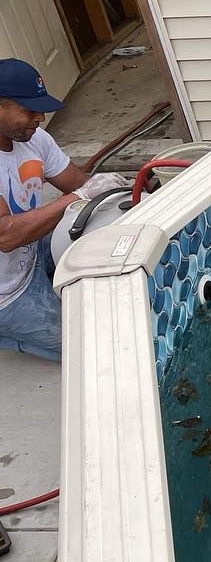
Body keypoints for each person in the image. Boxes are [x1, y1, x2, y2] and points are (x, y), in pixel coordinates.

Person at [0, 58, 127, 361]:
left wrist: (116, 190)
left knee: (96, 219)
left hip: (31, 250)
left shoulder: (34, 139)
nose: (40, 118)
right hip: (5, 290)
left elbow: (78, 184)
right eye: (29, 110)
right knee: (93, 349)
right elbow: (6, 236)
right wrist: (79, 195)